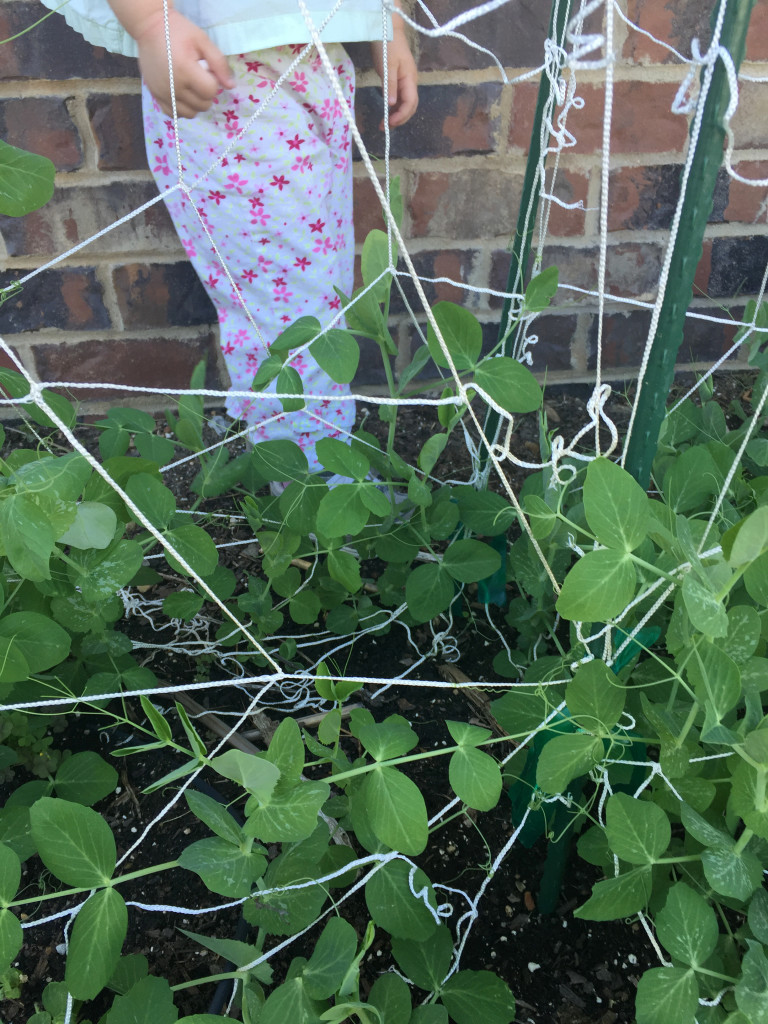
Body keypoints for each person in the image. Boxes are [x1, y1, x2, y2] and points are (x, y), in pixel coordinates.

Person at [39, 1, 418, 472]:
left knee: (322, 288)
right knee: (283, 314)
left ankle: (323, 459)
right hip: (225, 76)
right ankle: (308, 488)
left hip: (315, 53)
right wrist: (151, 23)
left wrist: (389, 19)